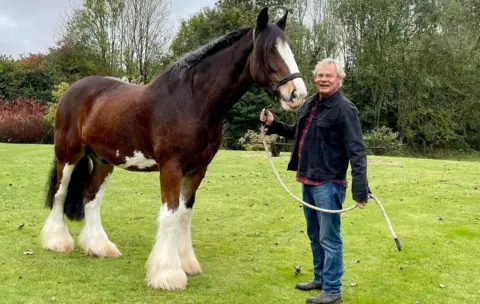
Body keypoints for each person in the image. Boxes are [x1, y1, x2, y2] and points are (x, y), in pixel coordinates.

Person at [259, 58, 369, 304]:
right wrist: (273, 124)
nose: (323, 79)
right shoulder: (309, 104)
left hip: (329, 184)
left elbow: (357, 151)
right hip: (306, 180)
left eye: (329, 76)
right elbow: (295, 133)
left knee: (329, 239)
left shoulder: (345, 110)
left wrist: (360, 188)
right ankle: (319, 278)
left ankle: (332, 290)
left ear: (339, 80)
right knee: (314, 234)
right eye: (320, 75)